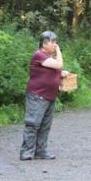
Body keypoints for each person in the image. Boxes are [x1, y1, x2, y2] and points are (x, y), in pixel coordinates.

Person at [20, 31, 65, 161]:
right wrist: (59, 51)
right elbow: (58, 64)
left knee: (45, 125)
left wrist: (60, 74)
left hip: (49, 96)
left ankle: (40, 151)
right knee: (33, 123)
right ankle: (26, 152)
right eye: (53, 42)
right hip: (37, 95)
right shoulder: (39, 55)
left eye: (56, 42)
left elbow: (53, 70)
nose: (55, 45)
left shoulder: (47, 57)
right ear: (44, 43)